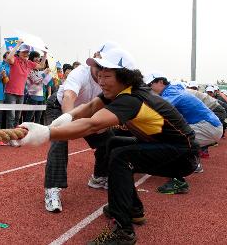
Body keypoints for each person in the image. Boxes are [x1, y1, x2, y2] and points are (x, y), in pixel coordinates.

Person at [18, 48, 198, 245]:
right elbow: (90, 108)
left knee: (122, 157)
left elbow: (92, 124)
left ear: (124, 77)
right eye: (99, 75)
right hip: (164, 145)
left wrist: (47, 133)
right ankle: (133, 209)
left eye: (107, 76)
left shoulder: (131, 99)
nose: (101, 81)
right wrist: (67, 117)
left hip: (181, 155)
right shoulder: (120, 92)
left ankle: (123, 233)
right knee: (112, 143)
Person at [42, 43, 135, 213]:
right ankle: (52, 189)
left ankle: (99, 177)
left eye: (106, 67)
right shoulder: (80, 73)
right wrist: (68, 124)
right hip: (61, 108)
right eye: (98, 64)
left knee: (109, 140)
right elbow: (69, 96)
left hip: (88, 111)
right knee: (60, 139)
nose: (101, 72)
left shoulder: (112, 79)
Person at [146, 72, 222, 187]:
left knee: (173, 141)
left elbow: (154, 112)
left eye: (150, 84)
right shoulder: (171, 90)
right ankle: (193, 164)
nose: (148, 88)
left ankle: (178, 181)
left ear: (160, 82)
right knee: (172, 136)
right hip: (209, 125)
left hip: (208, 126)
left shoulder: (171, 93)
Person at [4, 40, 46, 130]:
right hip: (10, 93)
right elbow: (8, 58)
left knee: (17, 117)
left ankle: (15, 135)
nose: (26, 53)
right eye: (23, 52)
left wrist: (45, 54)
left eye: (27, 52)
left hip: (21, 94)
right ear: (19, 52)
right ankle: (10, 137)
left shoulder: (29, 63)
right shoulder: (15, 60)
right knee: (11, 116)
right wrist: (18, 44)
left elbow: (41, 66)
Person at [23, 51, 51, 123]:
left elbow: (44, 82)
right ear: (31, 58)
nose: (38, 59)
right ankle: (25, 131)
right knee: (29, 117)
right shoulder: (29, 69)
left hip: (40, 96)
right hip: (32, 95)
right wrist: (44, 73)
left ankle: (37, 132)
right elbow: (35, 80)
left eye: (39, 57)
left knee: (38, 117)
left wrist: (48, 76)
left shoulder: (38, 70)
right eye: (36, 57)